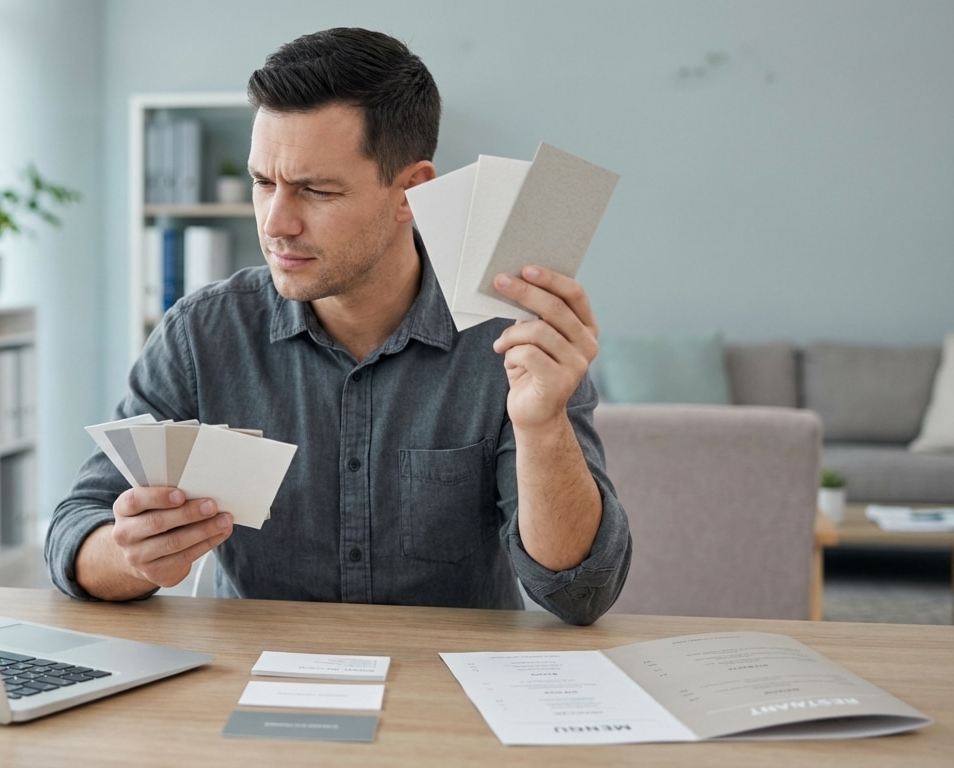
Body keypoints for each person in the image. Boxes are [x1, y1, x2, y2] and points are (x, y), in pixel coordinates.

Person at [46, 27, 631, 625]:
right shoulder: (202, 334)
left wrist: (541, 424)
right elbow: (74, 530)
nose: (277, 223)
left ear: (412, 190)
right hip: (251, 686)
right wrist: (133, 557)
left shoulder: (512, 341)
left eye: (316, 190)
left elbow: (579, 594)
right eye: (263, 182)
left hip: (447, 690)